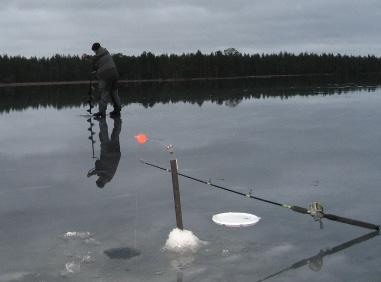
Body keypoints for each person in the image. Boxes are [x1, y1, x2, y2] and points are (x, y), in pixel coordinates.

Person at [82, 43, 121, 118]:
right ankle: (117, 110)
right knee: (114, 93)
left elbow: (93, 59)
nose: (94, 52)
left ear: (95, 49)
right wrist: (97, 70)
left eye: (94, 51)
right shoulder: (106, 52)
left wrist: (86, 56)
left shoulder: (99, 54)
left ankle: (101, 112)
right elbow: (100, 63)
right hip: (115, 74)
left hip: (106, 76)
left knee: (104, 93)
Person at [87, 116, 122, 188]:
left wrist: (95, 170)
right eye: (100, 180)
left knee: (109, 135)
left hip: (110, 153)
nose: (100, 178)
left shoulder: (101, 174)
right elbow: (105, 171)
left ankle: (114, 119)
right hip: (111, 153)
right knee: (111, 134)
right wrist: (94, 172)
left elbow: (97, 161)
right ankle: (114, 119)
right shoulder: (109, 177)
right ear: (103, 182)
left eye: (99, 179)